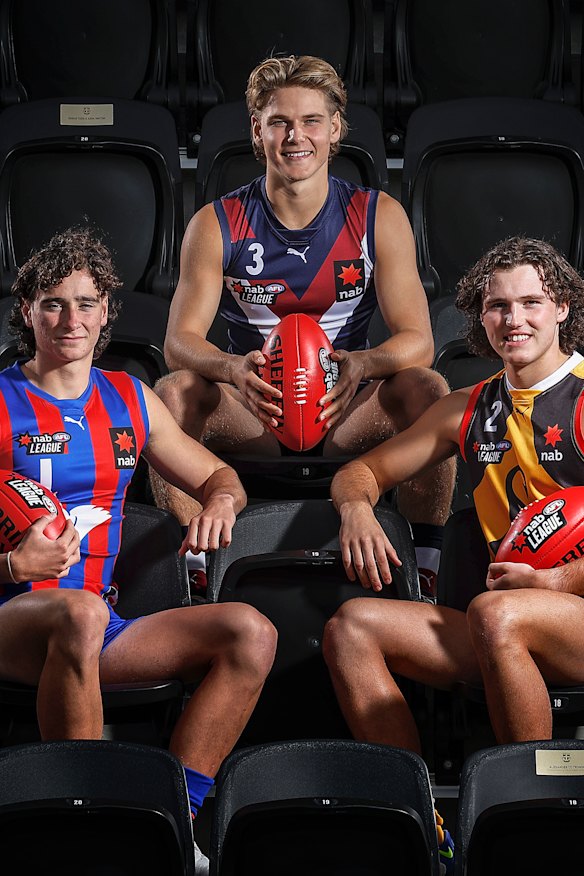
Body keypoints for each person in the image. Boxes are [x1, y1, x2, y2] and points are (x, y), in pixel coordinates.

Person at [0, 228, 278, 872]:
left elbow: (220, 477)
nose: (72, 319)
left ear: (106, 313)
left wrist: (218, 503)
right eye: (52, 302)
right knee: (79, 614)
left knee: (249, 632)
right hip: (17, 617)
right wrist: (13, 565)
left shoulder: (127, 396)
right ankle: (87, 831)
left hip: (99, 621)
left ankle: (171, 821)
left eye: (86, 303)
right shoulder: (3, 400)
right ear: (26, 311)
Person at [322, 236, 584, 874]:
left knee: (498, 614)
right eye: (497, 306)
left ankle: (532, 823)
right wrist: (356, 508)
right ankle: (428, 826)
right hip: (509, 621)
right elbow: (359, 473)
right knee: (351, 627)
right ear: (479, 316)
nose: (513, 319)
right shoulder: (468, 408)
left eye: (531, 302)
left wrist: (558, 582)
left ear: (563, 309)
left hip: (565, 610)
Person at [151, 54, 455, 601]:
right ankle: (190, 570)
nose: (297, 137)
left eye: (311, 121)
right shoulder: (216, 224)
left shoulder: (375, 215)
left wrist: (363, 364)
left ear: (335, 128)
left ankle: (425, 563)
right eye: (280, 122)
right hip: (256, 410)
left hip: (346, 409)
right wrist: (230, 368)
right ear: (257, 130)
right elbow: (178, 342)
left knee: (428, 389)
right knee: (171, 395)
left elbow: (419, 340)